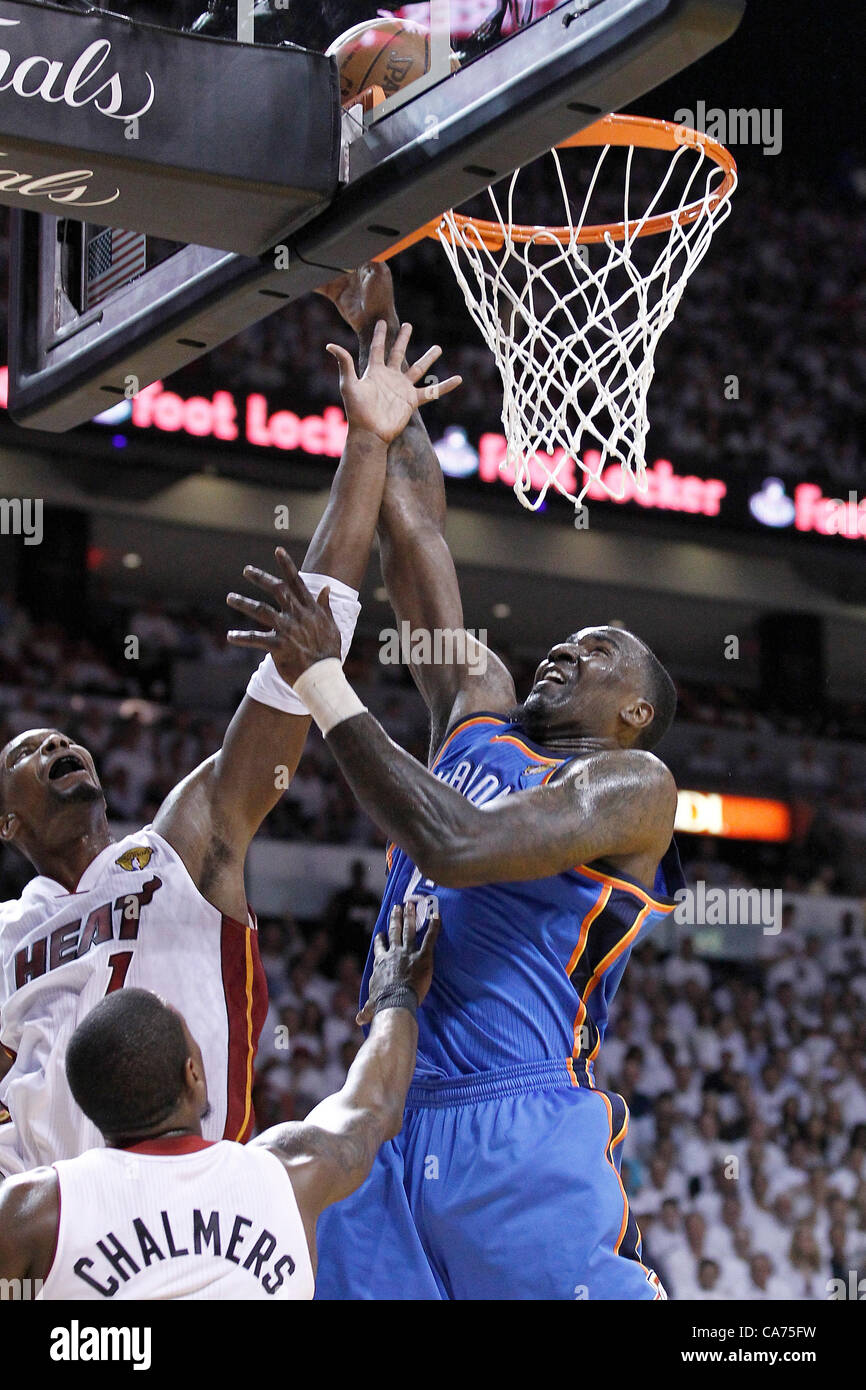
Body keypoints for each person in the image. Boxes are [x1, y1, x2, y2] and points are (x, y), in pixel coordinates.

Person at [225, 262, 684, 1301]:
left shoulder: (630, 785)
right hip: (381, 1101)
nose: (569, 648)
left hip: (515, 1125)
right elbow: (417, 531)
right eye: (569, 636)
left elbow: (458, 848)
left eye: (600, 651)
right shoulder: (475, 698)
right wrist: (382, 353)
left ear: (635, 712)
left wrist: (327, 684)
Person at [0, 319, 458, 1178]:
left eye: (61, 737)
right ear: (5, 819)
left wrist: (365, 446)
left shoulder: (174, 851)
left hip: (184, 1203)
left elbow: (289, 673)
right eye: (26, 750)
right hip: (40, 1228)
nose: (56, 742)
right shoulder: (6, 934)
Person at [0, 902, 438, 1299]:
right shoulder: (288, 1174)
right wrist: (396, 992)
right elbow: (373, 1106)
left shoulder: (31, 1211)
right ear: (192, 1074)